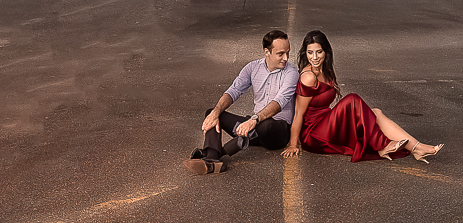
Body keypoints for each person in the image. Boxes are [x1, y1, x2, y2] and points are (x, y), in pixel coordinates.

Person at [281, 30, 444, 163]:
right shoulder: (308, 77)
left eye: (319, 52)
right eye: (310, 53)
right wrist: (293, 144)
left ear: (326, 52)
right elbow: (298, 113)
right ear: (305, 53)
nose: (315, 57)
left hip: (327, 123)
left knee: (375, 113)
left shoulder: (325, 70)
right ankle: (383, 145)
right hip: (314, 134)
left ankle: (416, 147)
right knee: (352, 99)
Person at [184, 29, 300, 175]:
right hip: (255, 127)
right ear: (267, 52)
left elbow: (279, 102)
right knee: (213, 113)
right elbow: (234, 91)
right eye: (280, 54)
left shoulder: (291, 73)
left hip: (277, 131)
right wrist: (215, 112)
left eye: (287, 52)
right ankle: (212, 159)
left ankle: (218, 153)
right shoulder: (252, 68)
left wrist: (253, 120)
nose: (286, 58)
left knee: (267, 125)